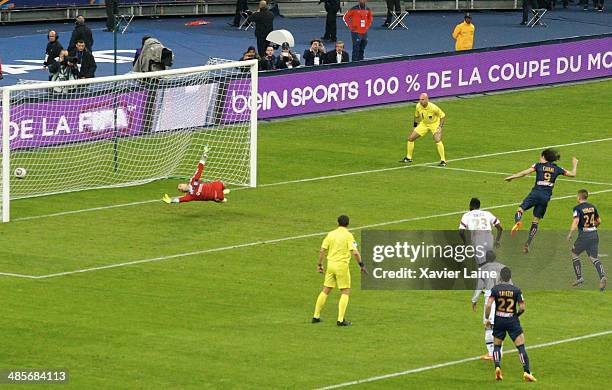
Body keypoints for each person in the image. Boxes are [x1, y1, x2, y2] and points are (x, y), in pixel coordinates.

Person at [505, 149, 578, 253]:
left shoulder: (538, 165)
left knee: (520, 209)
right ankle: (528, 243)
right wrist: (575, 164)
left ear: (544, 157)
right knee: (535, 221)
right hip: (545, 197)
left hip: (535, 193)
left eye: (540, 156)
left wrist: (512, 177)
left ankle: (518, 222)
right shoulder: (557, 168)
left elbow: (525, 172)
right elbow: (573, 174)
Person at [312, 215, 366, 326]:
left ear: (337, 223)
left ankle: (316, 316)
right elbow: (355, 252)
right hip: (342, 266)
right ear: (348, 224)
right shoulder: (348, 235)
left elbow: (322, 250)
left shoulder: (331, 234)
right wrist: (361, 264)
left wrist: (319, 264)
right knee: (345, 291)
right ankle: (340, 320)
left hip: (330, 265)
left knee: (326, 289)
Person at [485, 267, 537, 382]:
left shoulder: (495, 289)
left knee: (497, 346)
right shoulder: (516, 290)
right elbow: (522, 307)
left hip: (499, 320)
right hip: (512, 321)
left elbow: (488, 305)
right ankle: (527, 372)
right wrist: (516, 315)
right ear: (510, 277)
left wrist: (487, 319)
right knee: (521, 347)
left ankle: (497, 367)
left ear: (501, 277)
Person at [471, 251, 508, 360]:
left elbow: (479, 286)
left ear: (486, 259)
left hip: (491, 299)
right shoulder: (503, 267)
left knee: (488, 324)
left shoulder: (483, 269)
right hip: (503, 297)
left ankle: (492, 353)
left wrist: (474, 300)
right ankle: (499, 351)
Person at [567, 189, 606, 291]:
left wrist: (570, 233)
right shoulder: (593, 207)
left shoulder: (577, 208)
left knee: (574, 253)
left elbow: (576, 221)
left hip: (584, 235)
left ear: (579, 197)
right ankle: (602, 276)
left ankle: (579, 277)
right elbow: (599, 221)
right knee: (594, 258)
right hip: (594, 234)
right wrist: (592, 228)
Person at [162, 147, 230, 205]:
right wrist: (171, 201)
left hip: (213, 186)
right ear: (182, 191)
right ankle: (222, 196)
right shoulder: (190, 196)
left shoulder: (194, 181)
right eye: (179, 189)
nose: (180, 188)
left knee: (223, 184)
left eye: (180, 186)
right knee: (220, 199)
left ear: (185, 184)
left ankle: (223, 190)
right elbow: (180, 199)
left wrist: (204, 154)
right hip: (214, 196)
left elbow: (199, 169)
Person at [399, 93, 447, 166]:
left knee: (437, 139)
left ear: (427, 99)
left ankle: (443, 160)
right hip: (424, 124)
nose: (421, 101)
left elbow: (443, 116)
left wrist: (440, 127)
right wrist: (415, 126)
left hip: (434, 124)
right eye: (420, 99)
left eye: (423, 99)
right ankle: (409, 158)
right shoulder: (418, 106)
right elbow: (416, 116)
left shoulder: (433, 107)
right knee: (410, 138)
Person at [459, 198, 503, 266]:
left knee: (482, 264)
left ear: (470, 206)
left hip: (477, 239)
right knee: (489, 261)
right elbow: (500, 228)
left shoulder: (466, 215)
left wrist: (465, 242)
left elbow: (461, 232)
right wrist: (497, 241)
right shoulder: (487, 213)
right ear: (479, 206)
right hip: (489, 238)